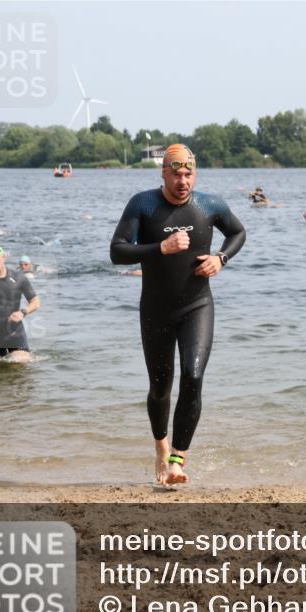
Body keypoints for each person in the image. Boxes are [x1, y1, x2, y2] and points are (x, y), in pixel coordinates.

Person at [110, 144, 246, 486]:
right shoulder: (143, 204)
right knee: (160, 387)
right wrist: (160, 248)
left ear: (194, 174)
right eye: (176, 173)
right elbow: (117, 251)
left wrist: (221, 259)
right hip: (155, 309)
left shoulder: (210, 205)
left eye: (188, 174)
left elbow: (238, 232)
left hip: (197, 305)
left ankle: (177, 460)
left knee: (194, 375)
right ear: (164, 173)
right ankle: (160, 445)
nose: (182, 180)